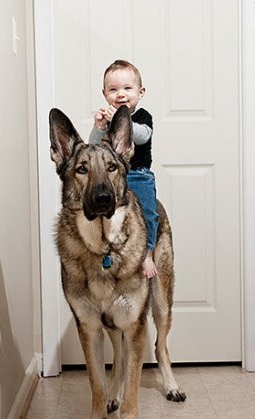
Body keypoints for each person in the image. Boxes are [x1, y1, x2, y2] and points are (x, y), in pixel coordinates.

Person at [89, 59, 159, 279]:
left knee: (148, 213)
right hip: (114, 178)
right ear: (104, 94)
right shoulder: (107, 119)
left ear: (140, 92)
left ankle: (147, 253)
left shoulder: (142, 117)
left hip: (139, 175)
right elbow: (94, 146)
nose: (121, 94)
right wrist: (99, 127)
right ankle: (108, 253)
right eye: (113, 89)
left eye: (127, 88)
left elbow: (141, 136)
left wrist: (122, 119)